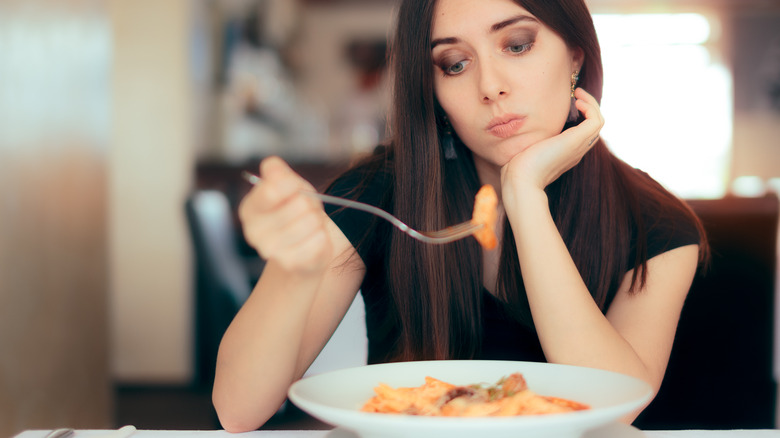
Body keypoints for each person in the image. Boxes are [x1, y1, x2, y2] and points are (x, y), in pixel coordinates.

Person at [212, 0, 709, 432]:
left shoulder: (658, 224)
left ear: (575, 55)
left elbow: (612, 407)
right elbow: (238, 411)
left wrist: (524, 195)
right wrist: (294, 270)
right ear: (432, 89)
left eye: (516, 45)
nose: (490, 86)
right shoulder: (378, 191)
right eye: (453, 64)